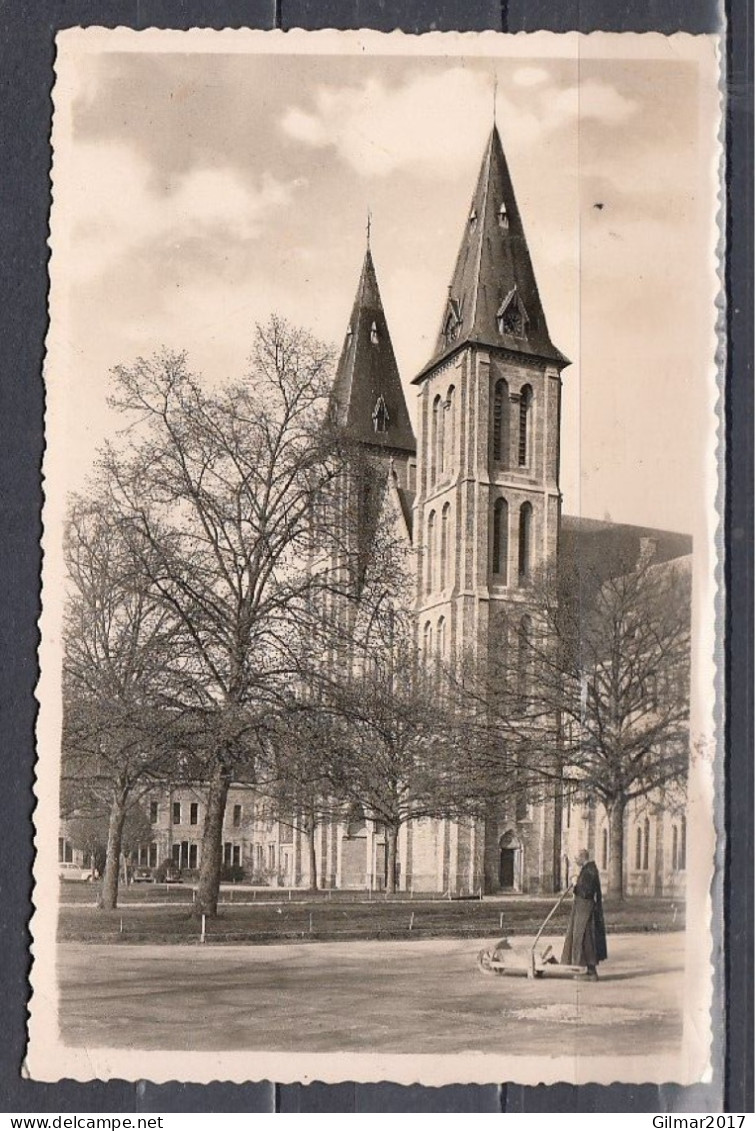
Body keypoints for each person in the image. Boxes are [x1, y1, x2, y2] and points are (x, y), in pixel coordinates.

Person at [561, 848, 608, 981]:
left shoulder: (590, 871)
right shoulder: (587, 869)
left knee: (586, 939)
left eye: (577, 858)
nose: (575, 861)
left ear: (583, 857)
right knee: (583, 938)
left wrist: (576, 885)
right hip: (582, 909)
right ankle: (588, 970)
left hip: (585, 910)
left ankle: (591, 972)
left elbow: (586, 892)